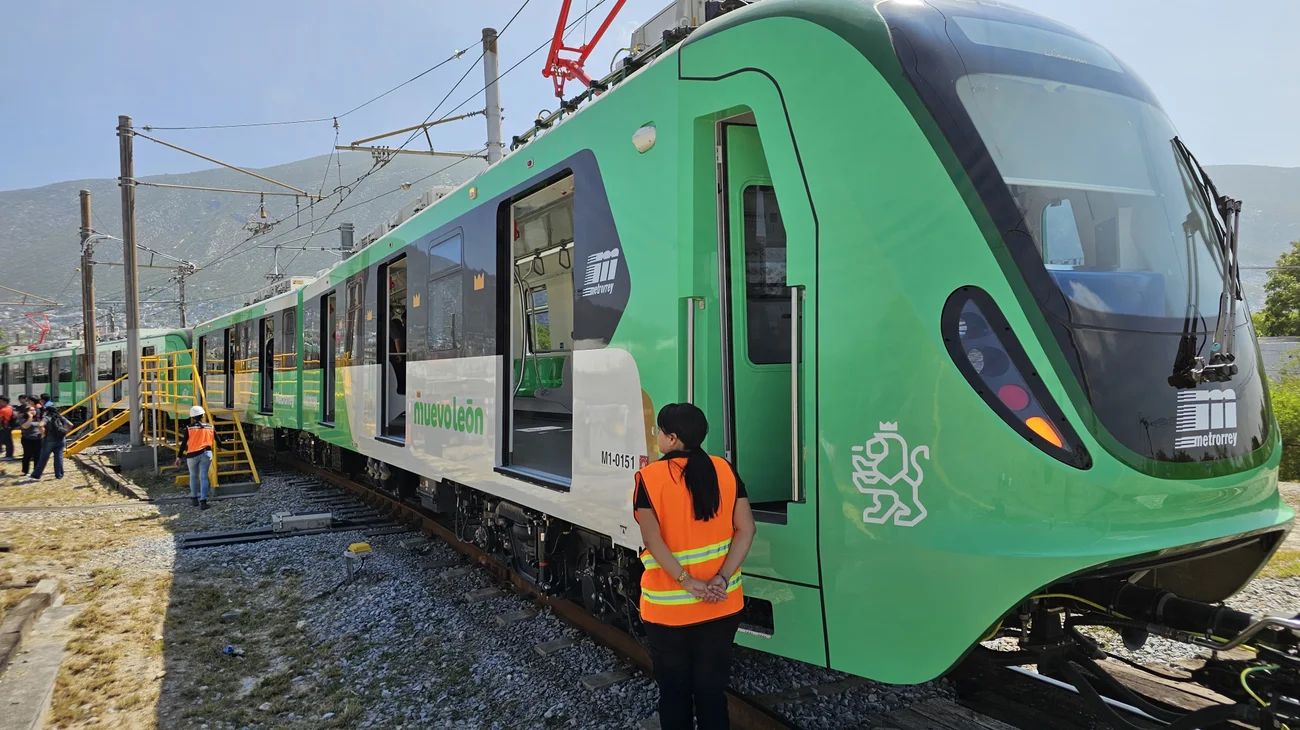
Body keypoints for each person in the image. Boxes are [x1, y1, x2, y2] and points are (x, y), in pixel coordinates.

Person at [633, 403, 756, 730]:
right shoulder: (724, 469)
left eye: (660, 430)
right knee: (712, 692)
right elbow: (747, 529)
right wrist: (721, 578)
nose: (657, 436)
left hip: (667, 610)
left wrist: (686, 581)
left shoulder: (649, 477)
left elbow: (652, 539)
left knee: (674, 692)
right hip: (722, 604)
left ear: (672, 438)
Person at [174, 405, 223, 509]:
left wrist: (179, 457)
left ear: (192, 417)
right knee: (204, 477)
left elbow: (183, 444)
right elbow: (219, 441)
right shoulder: (210, 427)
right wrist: (219, 447)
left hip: (192, 455)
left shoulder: (189, 428)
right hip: (206, 454)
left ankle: (194, 499)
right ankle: (203, 502)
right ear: (203, 415)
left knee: (193, 476)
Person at [28, 405, 70, 481]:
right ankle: (59, 475)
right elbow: (70, 424)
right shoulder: (60, 417)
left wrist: (43, 434)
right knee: (58, 457)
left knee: (43, 458)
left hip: (49, 440)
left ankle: (36, 475)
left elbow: (40, 425)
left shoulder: (47, 418)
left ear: (47, 411)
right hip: (61, 440)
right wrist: (65, 432)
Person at [18, 402, 42, 477]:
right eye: (31, 410)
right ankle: (26, 471)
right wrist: (30, 417)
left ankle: (36, 471)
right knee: (27, 455)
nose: (33, 411)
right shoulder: (23, 419)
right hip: (27, 439)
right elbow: (25, 426)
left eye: (34, 410)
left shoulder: (38, 418)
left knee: (37, 456)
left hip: (38, 439)